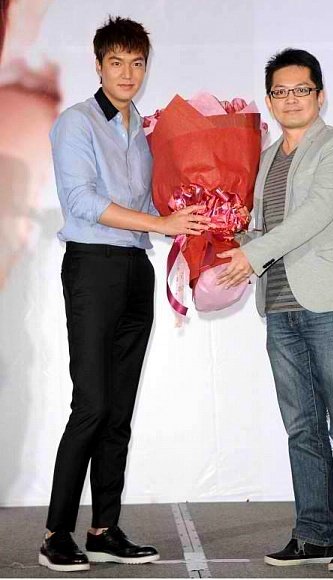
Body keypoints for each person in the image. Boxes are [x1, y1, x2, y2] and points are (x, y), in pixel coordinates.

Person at [39, 16, 209, 572]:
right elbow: (82, 201)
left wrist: (200, 212)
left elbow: (154, 203)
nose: (128, 73)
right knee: (91, 405)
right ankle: (55, 533)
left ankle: (103, 529)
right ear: (98, 65)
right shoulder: (76, 123)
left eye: (137, 63)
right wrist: (161, 224)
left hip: (137, 268)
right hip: (92, 267)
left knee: (118, 411)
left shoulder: (145, 130)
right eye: (116, 62)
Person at [217, 48, 333, 573]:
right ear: (269, 100)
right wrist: (222, 234)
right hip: (279, 306)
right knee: (301, 427)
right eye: (280, 92)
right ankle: (313, 533)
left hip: (330, 304)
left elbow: (314, 215)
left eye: (301, 90)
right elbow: (262, 230)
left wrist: (252, 252)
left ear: (320, 95)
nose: (291, 99)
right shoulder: (265, 158)